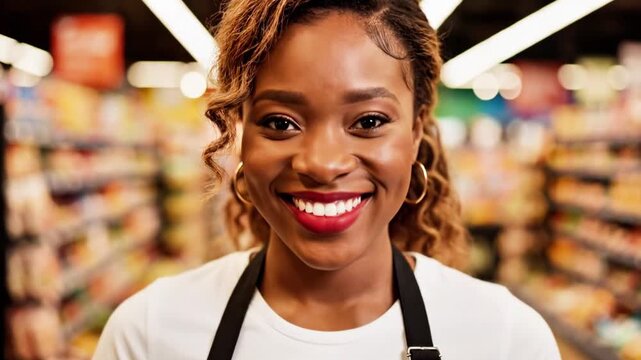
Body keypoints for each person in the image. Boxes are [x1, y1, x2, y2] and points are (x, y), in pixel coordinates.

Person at [94, 0, 561, 359]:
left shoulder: (506, 338)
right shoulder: (148, 333)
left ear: (417, 129)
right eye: (280, 122)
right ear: (238, 134)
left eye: (370, 121)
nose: (322, 163)